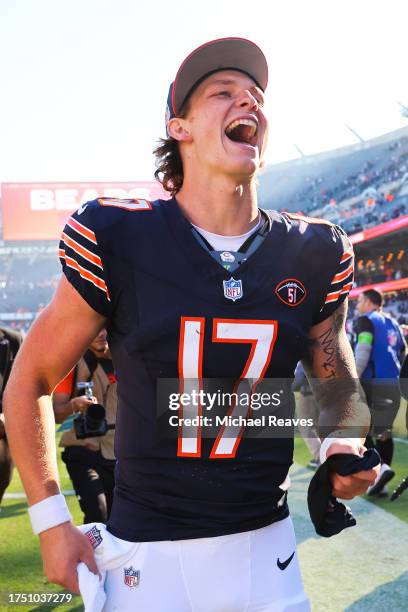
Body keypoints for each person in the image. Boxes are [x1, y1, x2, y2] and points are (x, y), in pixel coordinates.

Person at [4, 38, 379, 611]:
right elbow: (27, 379)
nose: (247, 102)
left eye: (255, 95)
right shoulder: (119, 234)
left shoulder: (313, 250)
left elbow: (337, 384)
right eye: (223, 93)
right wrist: (52, 520)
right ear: (178, 127)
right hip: (148, 561)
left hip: (269, 557)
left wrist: (340, 445)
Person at [53, 329, 116, 523]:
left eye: (105, 327)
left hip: (119, 451)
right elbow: (56, 413)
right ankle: (90, 554)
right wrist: (74, 405)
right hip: (83, 451)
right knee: (98, 514)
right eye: (94, 328)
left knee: (120, 520)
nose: (100, 333)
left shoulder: (127, 358)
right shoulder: (71, 364)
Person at [355, 288, 406, 496]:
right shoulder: (394, 322)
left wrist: (352, 377)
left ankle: (379, 471)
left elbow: (363, 350)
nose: (357, 305)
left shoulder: (366, 320)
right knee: (384, 432)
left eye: (359, 300)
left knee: (361, 431)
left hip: (371, 383)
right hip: (393, 384)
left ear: (368, 301)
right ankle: (382, 484)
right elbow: (402, 352)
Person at [0, 327, 22, 506]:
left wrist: (9, 414)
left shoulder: (13, 340)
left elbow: (23, 387)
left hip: (3, 436)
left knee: (2, 480)